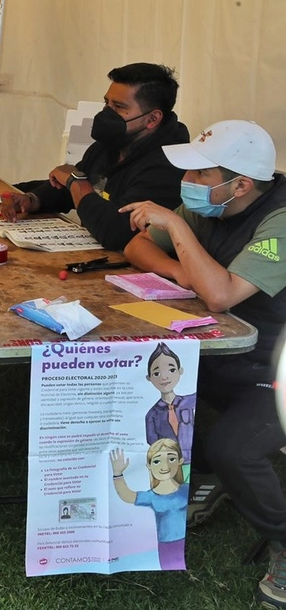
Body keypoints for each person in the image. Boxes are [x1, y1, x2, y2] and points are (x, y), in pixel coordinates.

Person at [119, 119, 286, 606]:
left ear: (241, 185)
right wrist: (180, 270)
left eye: (199, 175)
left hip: (274, 368)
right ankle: (210, 478)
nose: (186, 185)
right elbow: (135, 245)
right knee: (147, 385)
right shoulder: (216, 202)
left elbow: (220, 293)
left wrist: (172, 226)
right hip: (225, 351)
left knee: (236, 446)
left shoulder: (279, 218)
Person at [3, 63, 188, 250]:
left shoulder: (169, 165)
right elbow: (73, 192)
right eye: (106, 102)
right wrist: (33, 199)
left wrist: (75, 179)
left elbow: (115, 232)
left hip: (132, 271)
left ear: (152, 119)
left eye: (119, 106)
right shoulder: (112, 143)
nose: (106, 113)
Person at [110, 439, 189, 570]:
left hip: (186, 540)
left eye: (171, 459)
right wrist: (117, 473)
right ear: (149, 466)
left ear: (180, 461)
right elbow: (127, 495)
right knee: (170, 568)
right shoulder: (151, 496)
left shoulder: (186, 489)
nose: (165, 466)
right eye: (157, 461)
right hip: (166, 544)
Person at [144, 341, 195, 475]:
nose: (164, 377)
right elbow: (153, 443)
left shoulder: (191, 401)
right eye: (156, 374)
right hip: (170, 467)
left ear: (180, 371)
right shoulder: (152, 415)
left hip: (193, 463)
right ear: (149, 378)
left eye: (171, 370)